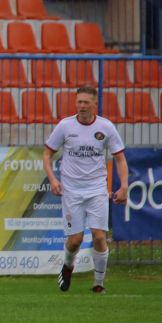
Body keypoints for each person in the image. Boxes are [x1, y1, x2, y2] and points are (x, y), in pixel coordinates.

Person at [42, 86, 129, 294]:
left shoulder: (106, 127)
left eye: (86, 102)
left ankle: (98, 283)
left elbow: (119, 158)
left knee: (99, 236)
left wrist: (124, 185)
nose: (82, 106)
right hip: (71, 191)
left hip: (97, 188)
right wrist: (53, 179)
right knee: (75, 240)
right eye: (79, 102)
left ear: (94, 104)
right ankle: (68, 266)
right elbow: (47, 154)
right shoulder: (65, 126)